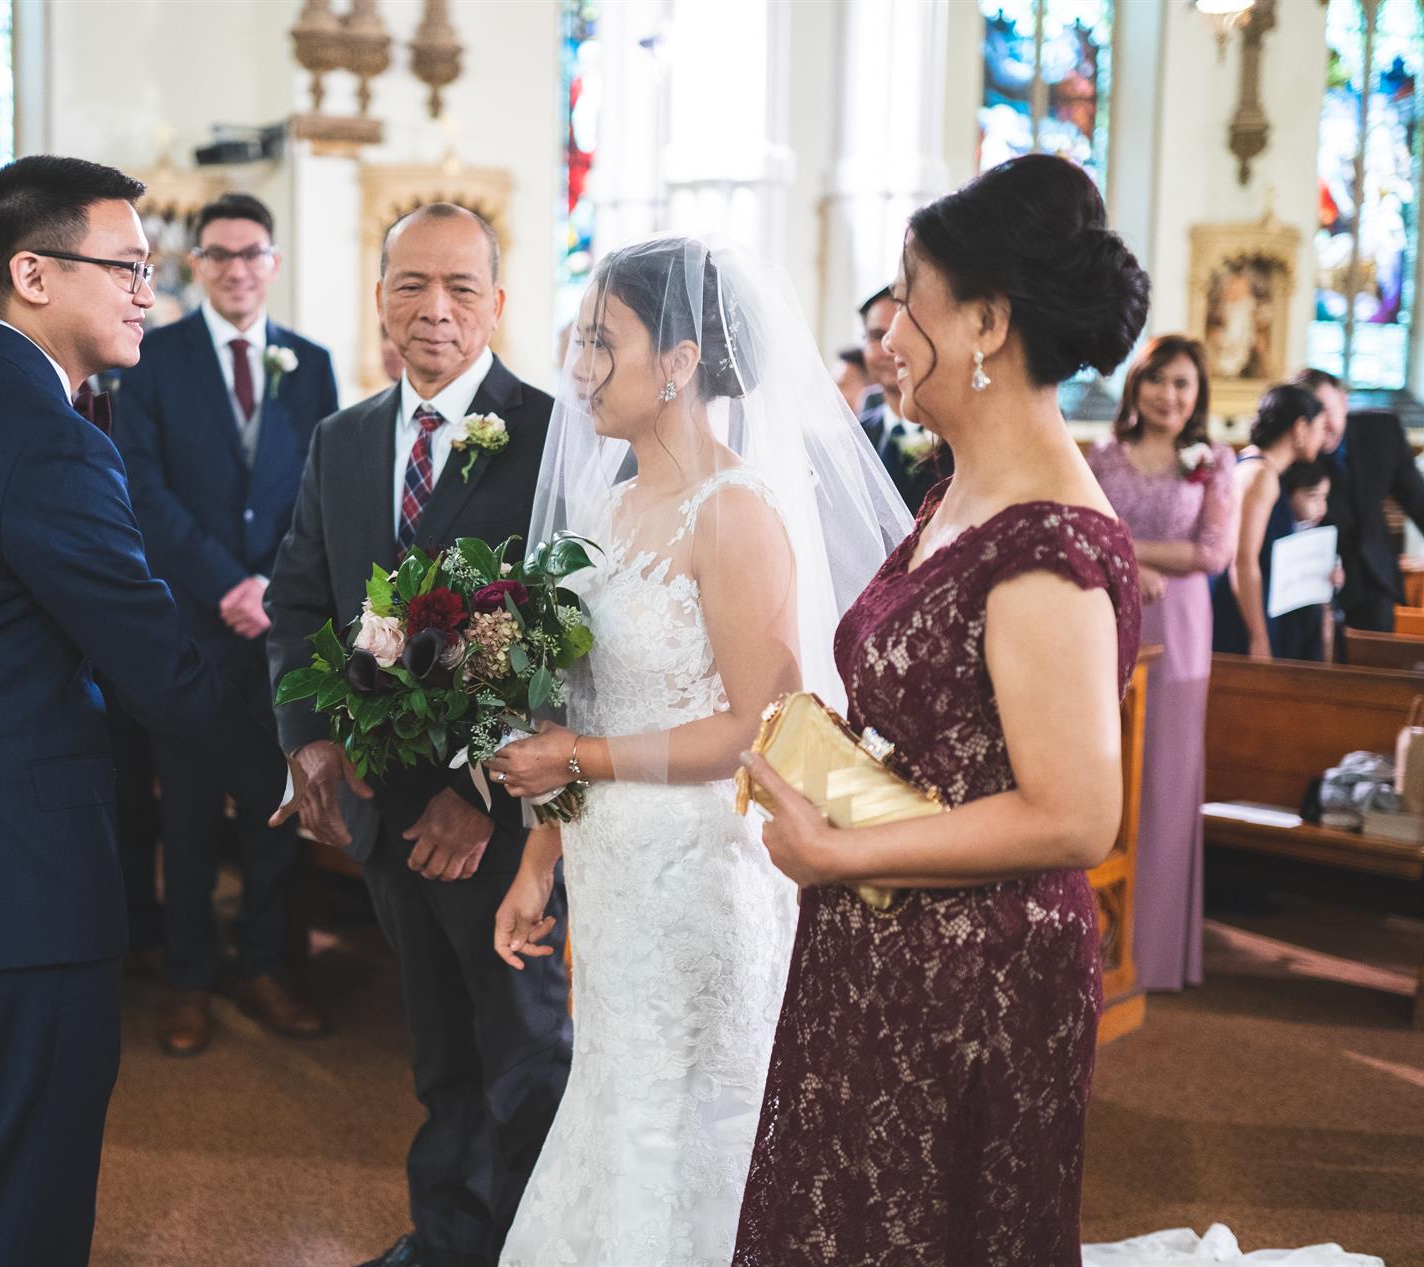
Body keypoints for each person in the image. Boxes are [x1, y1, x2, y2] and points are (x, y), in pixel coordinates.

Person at [731, 153, 1148, 1266]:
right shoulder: (956, 488)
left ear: (986, 325)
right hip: (885, 944)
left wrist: (839, 851)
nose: (888, 338)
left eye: (909, 305)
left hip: (977, 980)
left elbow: (1075, 817)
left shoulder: (1048, 544)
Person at [483, 236, 911, 1265]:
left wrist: (577, 761)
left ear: (678, 362)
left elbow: (757, 727)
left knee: (687, 1116)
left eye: (602, 342)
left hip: (696, 875)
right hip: (612, 864)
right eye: (578, 339)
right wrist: (538, 860)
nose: (579, 366)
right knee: (617, 1095)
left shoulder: (735, 514)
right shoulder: (604, 507)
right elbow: (582, 702)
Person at [0, 155, 222, 1267]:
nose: (147, 292)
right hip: (15, 878)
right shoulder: (46, 438)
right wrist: (310, 761)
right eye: (127, 266)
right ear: (33, 274)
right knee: (28, 1193)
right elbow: (156, 662)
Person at [264, 203, 571, 1267]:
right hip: (385, 814)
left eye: (460, 287)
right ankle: (447, 1243)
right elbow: (299, 600)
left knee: (523, 1054)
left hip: (503, 823)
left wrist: (480, 793)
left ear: (498, 302)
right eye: (411, 285)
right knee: (437, 1058)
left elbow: (570, 642)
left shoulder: (552, 438)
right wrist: (309, 740)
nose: (434, 309)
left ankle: (530, 1249)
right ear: (379, 297)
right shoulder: (342, 439)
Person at [116, 191, 337, 1054]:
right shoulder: (154, 358)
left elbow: (323, 489)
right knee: (189, 812)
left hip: (282, 627)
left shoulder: (309, 364)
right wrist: (226, 585)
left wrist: (274, 589)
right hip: (194, 626)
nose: (237, 269)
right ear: (197, 264)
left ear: (272, 264)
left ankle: (264, 966)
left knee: (275, 805)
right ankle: (188, 977)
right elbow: (142, 489)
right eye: (219, 254)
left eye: (252, 254)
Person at [1087, 334, 1236, 994]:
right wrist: (1126, 562)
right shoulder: (1100, 455)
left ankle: (1154, 948)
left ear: (1197, 394)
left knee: (1166, 780)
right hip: (1105, 617)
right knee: (1106, 774)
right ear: (1135, 385)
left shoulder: (1214, 462)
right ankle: (1095, 940)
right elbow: (1079, 528)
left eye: (1182, 383)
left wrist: (1124, 549)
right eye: (1156, 380)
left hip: (1179, 628)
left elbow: (1213, 552)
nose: (1167, 395)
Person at [1298, 367, 1424, 633]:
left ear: (1343, 403)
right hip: (1315, 579)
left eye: (1327, 411)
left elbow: (1418, 500)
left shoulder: (1382, 431)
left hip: (1374, 576)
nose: (1321, 424)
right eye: (1312, 414)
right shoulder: (1296, 451)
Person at [1211, 384, 1329, 661]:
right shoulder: (1261, 474)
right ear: (1301, 428)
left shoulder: (1253, 463)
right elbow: (1243, 560)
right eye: (1321, 428)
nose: (1323, 438)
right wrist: (1258, 636)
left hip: (1248, 603)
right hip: (1242, 611)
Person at [854, 285, 943, 513]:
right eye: (877, 336)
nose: (889, 349)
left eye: (903, 332)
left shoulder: (954, 437)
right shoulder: (853, 438)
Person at [1281, 459, 1340, 660]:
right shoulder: (1280, 530)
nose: (1321, 506)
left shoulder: (1319, 535)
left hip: (1316, 615)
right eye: (1313, 497)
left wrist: (1337, 577)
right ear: (1289, 494)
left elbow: (1334, 570)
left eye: (1324, 498)